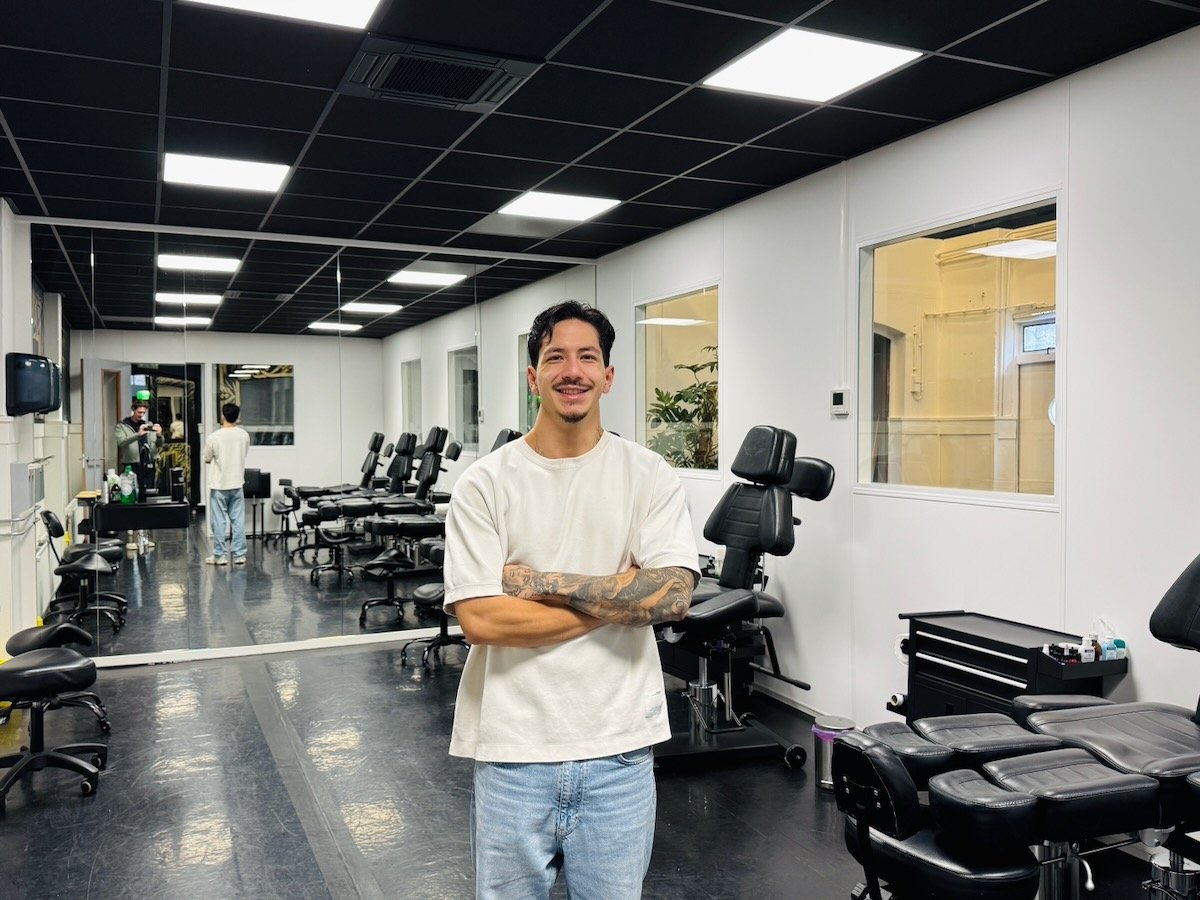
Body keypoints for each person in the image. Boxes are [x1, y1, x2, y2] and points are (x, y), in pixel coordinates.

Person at [443, 300, 699, 899]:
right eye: (555, 357)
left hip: (619, 752)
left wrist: (541, 582)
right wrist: (619, 594)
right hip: (513, 752)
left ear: (608, 375)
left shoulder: (648, 475)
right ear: (533, 377)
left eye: (588, 357)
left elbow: (671, 597)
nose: (572, 370)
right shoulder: (485, 484)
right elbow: (482, 619)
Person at [203, 402, 251, 566]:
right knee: (238, 521)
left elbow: (207, 458)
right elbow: (244, 454)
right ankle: (239, 555)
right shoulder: (243, 435)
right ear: (237, 416)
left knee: (219, 521)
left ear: (223, 416)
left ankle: (220, 556)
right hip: (237, 484)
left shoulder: (214, 437)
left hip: (219, 485)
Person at [113, 399, 162, 497]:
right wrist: (137, 435)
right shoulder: (122, 426)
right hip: (131, 464)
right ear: (133, 410)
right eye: (139, 412)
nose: (141, 415)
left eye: (143, 412)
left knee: (149, 492)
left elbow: (158, 444)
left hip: (148, 464)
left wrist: (159, 435)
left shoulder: (148, 425)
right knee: (130, 492)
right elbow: (121, 443)